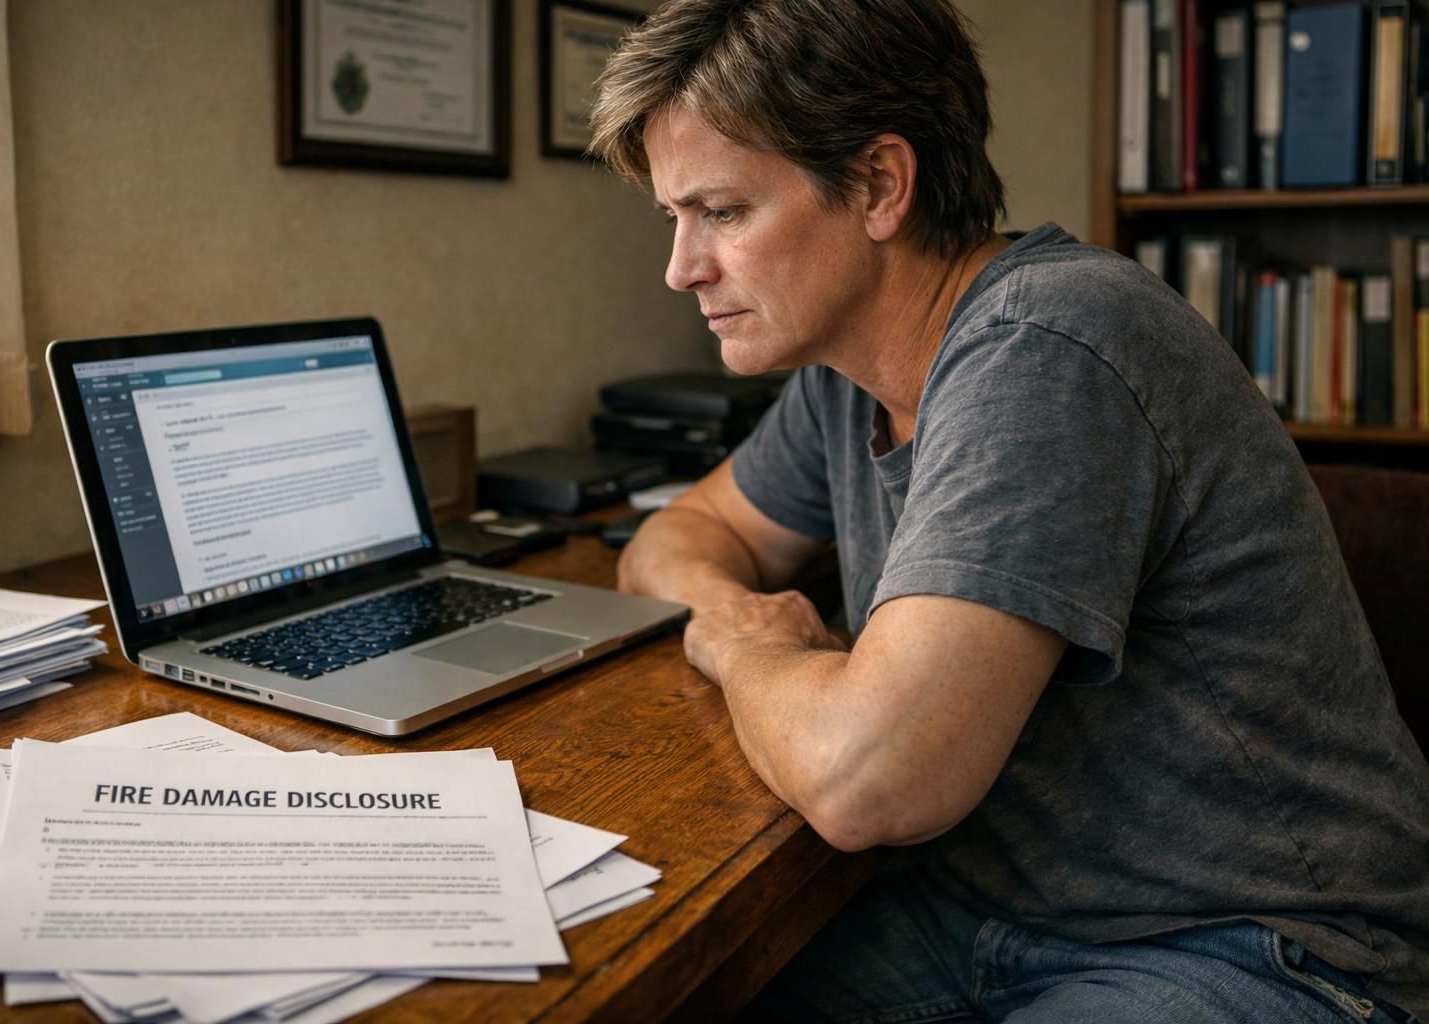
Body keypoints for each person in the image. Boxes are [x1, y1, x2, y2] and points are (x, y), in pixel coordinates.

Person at [587, 1, 1429, 1021]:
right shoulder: (844, 374)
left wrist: (742, 647)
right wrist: (741, 617)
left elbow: (871, 781)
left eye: (721, 212)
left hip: (1257, 943)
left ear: (879, 184)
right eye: (673, 218)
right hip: (989, 910)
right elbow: (677, 541)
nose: (681, 267)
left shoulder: (1051, 343)